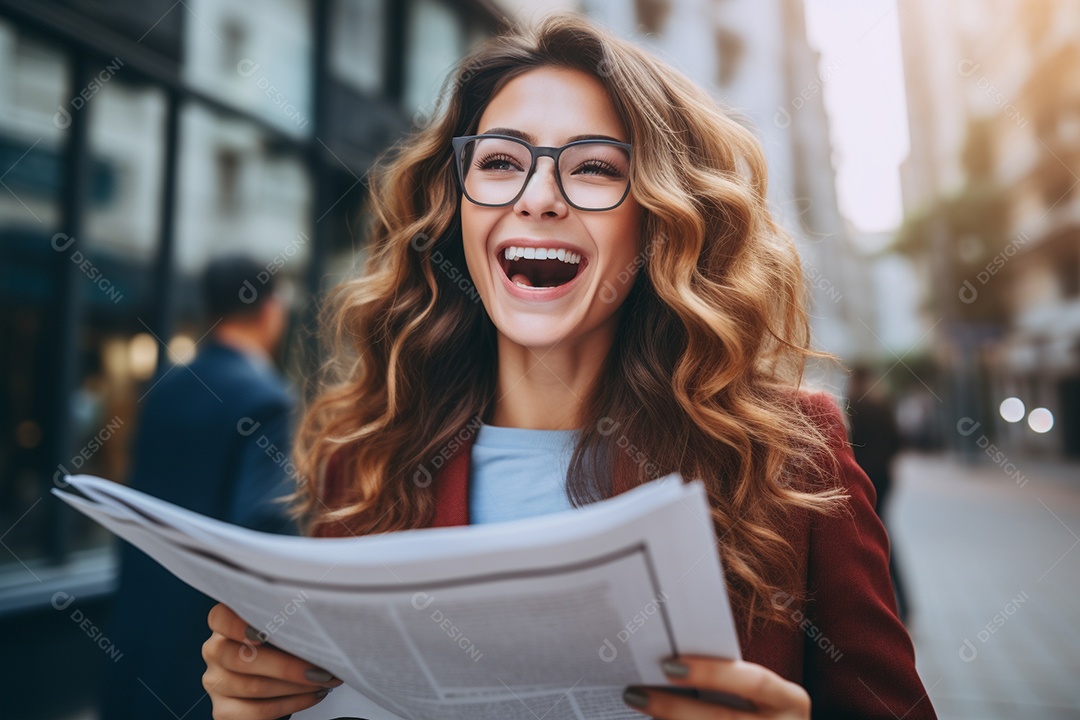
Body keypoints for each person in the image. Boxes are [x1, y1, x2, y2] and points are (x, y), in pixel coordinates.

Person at [201, 15, 937, 720]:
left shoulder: (789, 458)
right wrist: (254, 709)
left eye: (591, 167)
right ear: (456, 210)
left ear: (659, 218)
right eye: (498, 162)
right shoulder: (363, 461)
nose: (538, 197)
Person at [100, 255, 299, 719]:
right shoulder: (268, 400)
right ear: (270, 311)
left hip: (135, 632)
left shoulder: (164, 387)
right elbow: (262, 529)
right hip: (205, 652)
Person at [846, 365, 910, 624]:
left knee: (872, 537)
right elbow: (897, 441)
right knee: (883, 534)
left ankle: (881, 604)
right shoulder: (882, 404)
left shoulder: (852, 405)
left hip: (862, 480)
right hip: (884, 478)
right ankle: (903, 605)